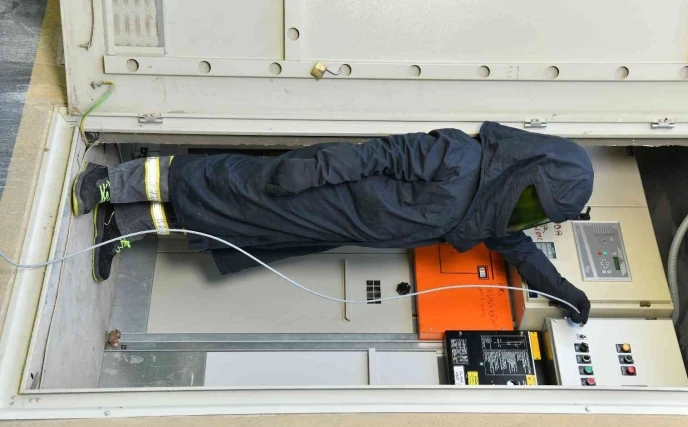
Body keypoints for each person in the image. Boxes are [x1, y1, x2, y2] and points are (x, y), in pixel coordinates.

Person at [72, 122, 593, 323]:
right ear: (528, 168)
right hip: (319, 187)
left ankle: (126, 225)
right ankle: (110, 182)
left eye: (541, 213)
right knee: (223, 185)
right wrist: (311, 171)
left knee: (231, 226)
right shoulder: (462, 156)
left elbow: (522, 253)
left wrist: (566, 292)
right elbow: (383, 154)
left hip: (324, 226)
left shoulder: (492, 217)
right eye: (535, 200)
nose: (529, 215)